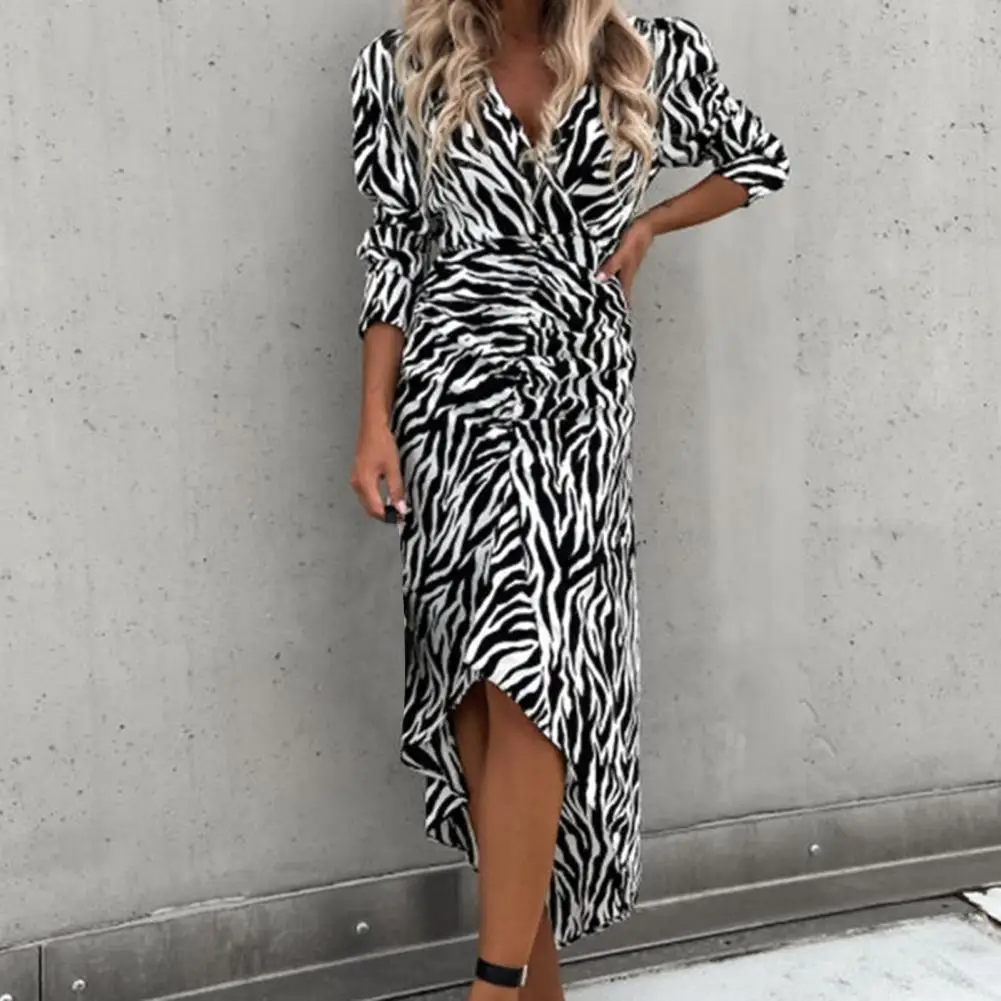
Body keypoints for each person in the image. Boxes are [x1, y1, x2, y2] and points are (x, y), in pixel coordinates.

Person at [348, 2, 789, 998]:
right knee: (474, 680)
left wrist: (649, 223)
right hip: (452, 390)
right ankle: (529, 982)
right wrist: (373, 418)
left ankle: (492, 989)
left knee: (534, 669)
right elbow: (393, 246)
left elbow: (754, 159)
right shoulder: (403, 62)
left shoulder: (645, 50)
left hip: (577, 396)